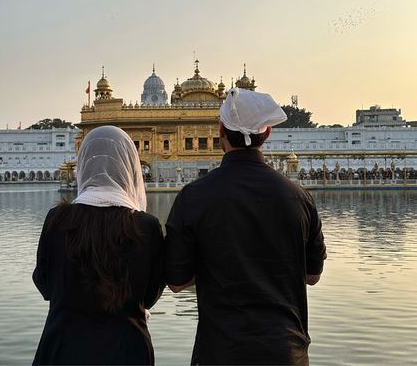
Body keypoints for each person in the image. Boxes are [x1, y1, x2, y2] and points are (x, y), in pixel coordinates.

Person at [165, 88, 327, 365]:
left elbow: (177, 281)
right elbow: (312, 276)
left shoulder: (194, 196)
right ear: (267, 133)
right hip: (286, 352)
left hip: (220, 352)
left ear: (221, 132)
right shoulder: (299, 197)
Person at [33, 126, 164, 365]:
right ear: (130, 166)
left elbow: (44, 284)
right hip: (127, 352)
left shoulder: (58, 220)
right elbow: (150, 294)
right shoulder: (147, 226)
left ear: (83, 164)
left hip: (62, 349)